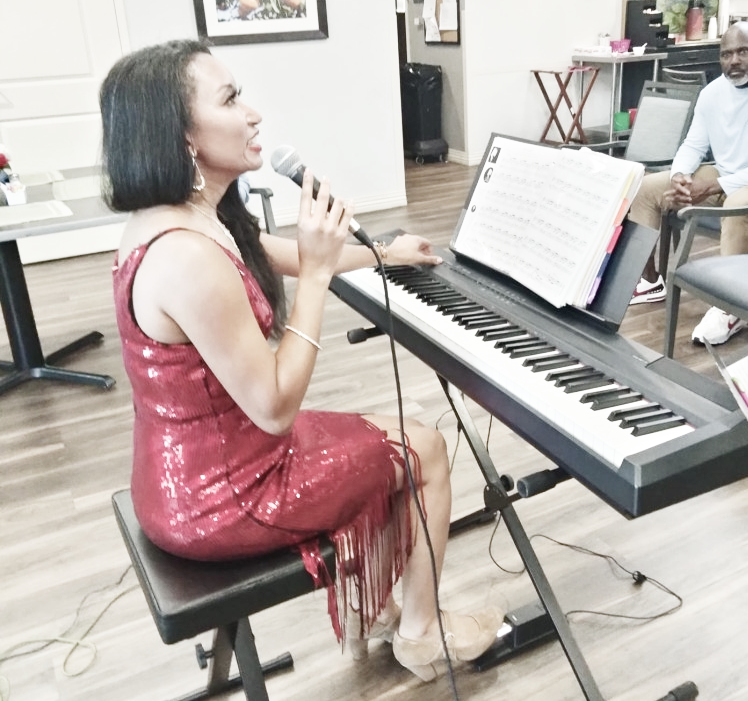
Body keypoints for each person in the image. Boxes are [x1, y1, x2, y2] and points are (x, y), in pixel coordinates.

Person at [99, 39, 502, 682]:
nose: (254, 113)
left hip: (182, 474)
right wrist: (317, 277)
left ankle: (377, 608)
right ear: (182, 138)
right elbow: (276, 407)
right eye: (230, 99)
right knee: (424, 448)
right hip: (224, 498)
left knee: (384, 434)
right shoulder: (187, 256)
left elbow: (278, 254)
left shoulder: (183, 217)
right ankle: (420, 634)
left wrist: (384, 252)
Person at [628, 21, 748, 345]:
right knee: (647, 188)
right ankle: (650, 281)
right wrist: (681, 175)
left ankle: (732, 309)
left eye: (743, 51)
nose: (734, 61)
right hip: (726, 174)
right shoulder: (713, 93)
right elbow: (694, 145)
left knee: (737, 206)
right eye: (726, 54)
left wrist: (714, 186)